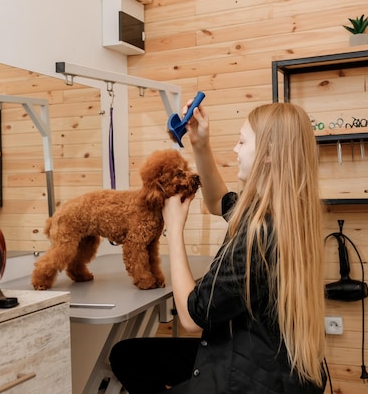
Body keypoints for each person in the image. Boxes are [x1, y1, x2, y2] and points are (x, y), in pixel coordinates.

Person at [109, 102, 327, 393]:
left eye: (241, 142)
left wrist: (173, 229)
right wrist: (200, 144)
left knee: (130, 358)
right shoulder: (282, 211)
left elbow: (190, 318)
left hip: (252, 378)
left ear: (270, 153)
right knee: (129, 356)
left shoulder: (259, 232)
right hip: (271, 357)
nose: (235, 150)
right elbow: (217, 201)